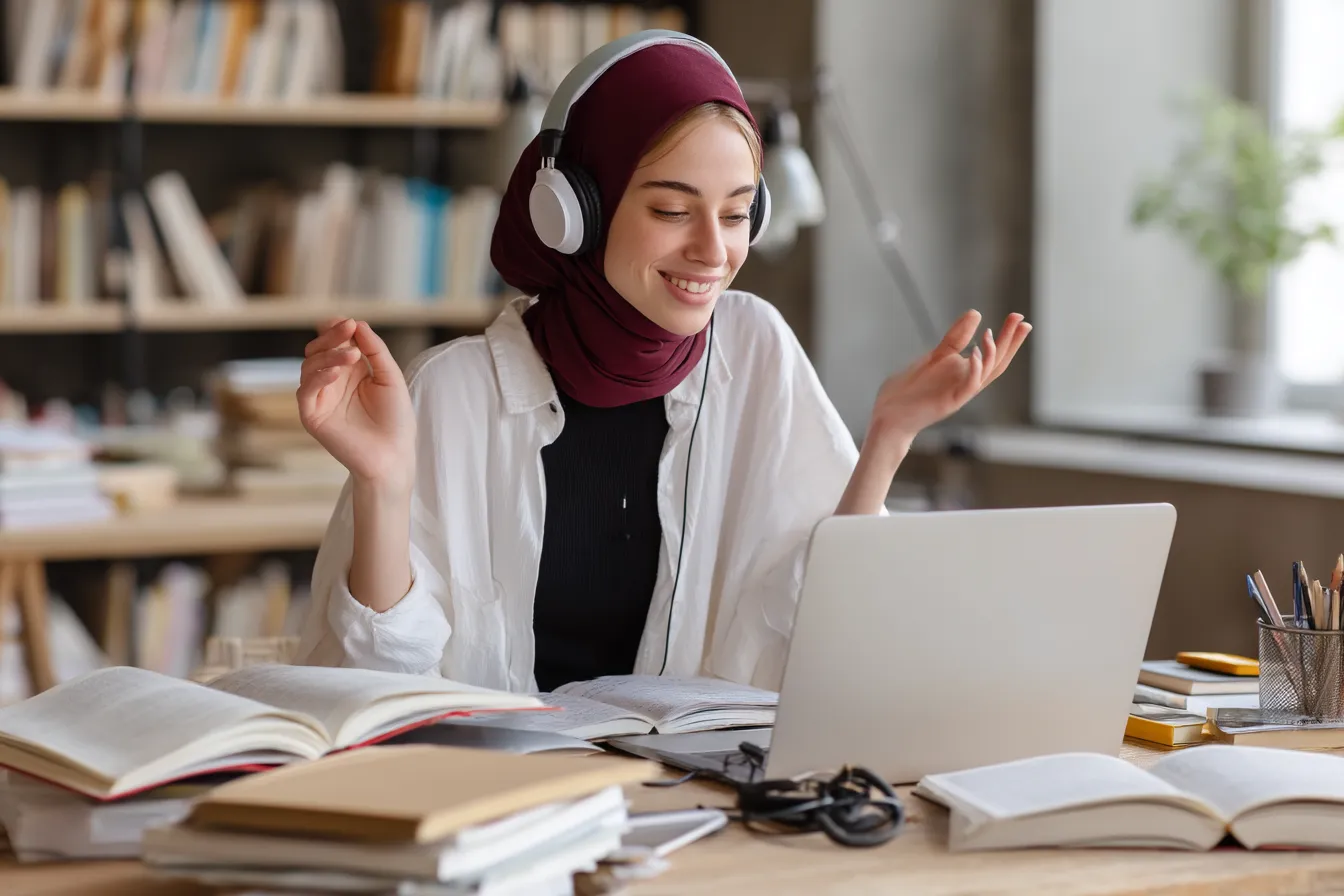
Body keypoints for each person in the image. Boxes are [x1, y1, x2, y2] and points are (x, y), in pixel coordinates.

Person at [291, 33, 1029, 694]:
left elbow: (826, 633)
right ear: (573, 210)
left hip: (694, 814)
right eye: (673, 212)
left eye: (737, 214)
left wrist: (888, 440)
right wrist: (382, 487)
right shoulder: (452, 391)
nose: (714, 251)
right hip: (496, 815)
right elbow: (373, 685)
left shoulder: (755, 350)